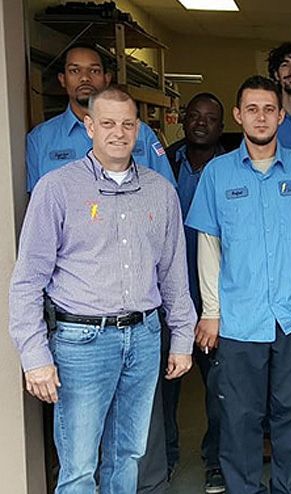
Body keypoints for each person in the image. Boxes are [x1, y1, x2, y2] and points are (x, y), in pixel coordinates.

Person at [8, 86, 195, 494]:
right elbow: (27, 280)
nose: (118, 132)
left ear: (138, 129)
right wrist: (34, 356)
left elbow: (174, 275)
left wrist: (181, 337)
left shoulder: (160, 192)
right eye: (107, 123)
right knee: (77, 465)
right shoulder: (57, 189)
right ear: (89, 126)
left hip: (144, 339)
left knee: (126, 456)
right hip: (81, 344)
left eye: (128, 124)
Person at [185, 75, 291, 494]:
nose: (261, 116)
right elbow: (209, 246)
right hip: (238, 319)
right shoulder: (217, 174)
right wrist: (211, 312)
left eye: (269, 109)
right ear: (238, 115)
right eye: (251, 109)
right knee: (239, 417)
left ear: (280, 114)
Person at [162, 92, 227, 493]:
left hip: (213, 303)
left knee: (220, 391)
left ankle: (215, 461)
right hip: (166, 299)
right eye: (194, 115)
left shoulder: (231, 168)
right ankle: (165, 458)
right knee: (162, 390)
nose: (201, 123)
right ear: (183, 120)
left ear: (222, 126)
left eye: (210, 118)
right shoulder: (163, 162)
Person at [26, 43, 175, 192]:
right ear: (62, 79)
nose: (85, 78)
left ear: (106, 78)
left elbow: (167, 192)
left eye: (94, 71)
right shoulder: (40, 139)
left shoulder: (142, 133)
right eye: (75, 70)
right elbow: (37, 204)